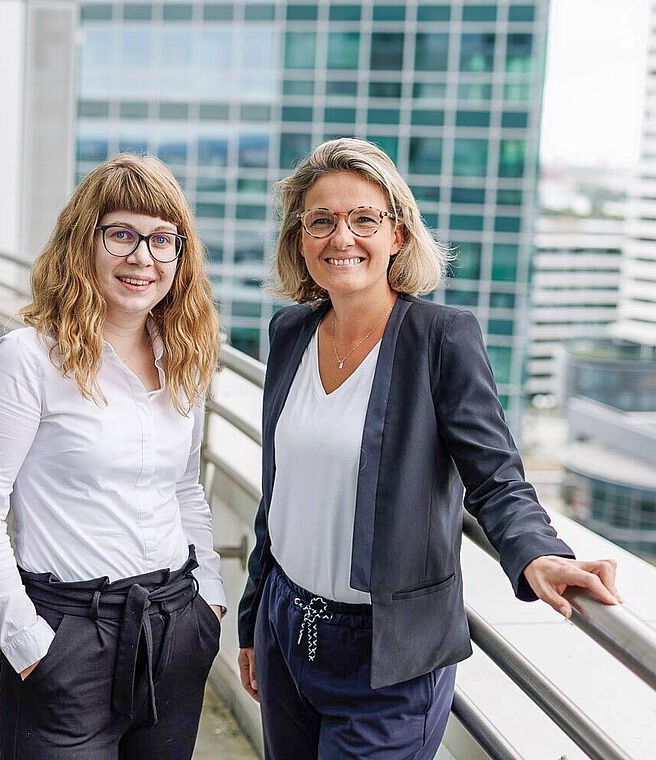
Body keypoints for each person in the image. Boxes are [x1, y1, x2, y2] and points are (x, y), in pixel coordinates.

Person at [236, 138, 621, 759]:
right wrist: (254, 615)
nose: (342, 238)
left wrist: (538, 554)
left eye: (364, 219)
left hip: (388, 656)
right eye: (322, 221)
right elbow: (280, 493)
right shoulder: (291, 333)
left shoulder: (442, 340)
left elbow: (495, 476)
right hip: (287, 631)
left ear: (398, 234)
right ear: (299, 240)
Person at [0, 153, 226, 760]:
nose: (142, 257)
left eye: (162, 240)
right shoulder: (27, 360)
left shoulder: (183, 357)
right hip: (66, 635)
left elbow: (186, 489)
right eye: (122, 234)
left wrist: (208, 597)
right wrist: (28, 645)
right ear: (84, 243)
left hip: (175, 627)